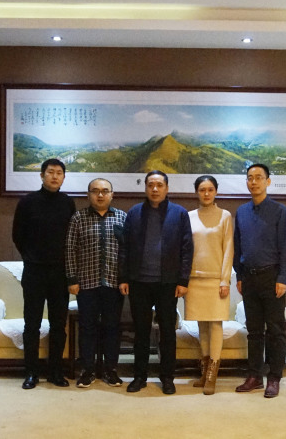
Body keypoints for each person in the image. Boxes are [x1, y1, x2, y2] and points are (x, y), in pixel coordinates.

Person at [118, 170, 193, 395]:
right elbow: (125, 247)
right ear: (145, 188)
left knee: (168, 333)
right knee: (140, 332)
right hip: (139, 282)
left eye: (159, 185)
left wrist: (183, 280)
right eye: (151, 185)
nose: (155, 189)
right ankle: (139, 376)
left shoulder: (179, 213)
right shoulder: (134, 213)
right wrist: (123, 277)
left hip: (167, 284)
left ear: (167, 188)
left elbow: (187, 249)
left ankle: (167, 377)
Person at [12, 158, 76, 389]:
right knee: (32, 324)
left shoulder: (68, 203)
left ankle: (55, 372)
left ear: (63, 177)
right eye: (50, 172)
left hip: (60, 273)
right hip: (34, 271)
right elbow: (17, 236)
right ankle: (31, 373)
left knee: (59, 325)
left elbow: (71, 238)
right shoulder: (27, 202)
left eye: (59, 173)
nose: (55, 176)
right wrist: (31, 257)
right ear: (42, 175)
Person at [233, 163, 286, 398]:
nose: (254, 181)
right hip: (249, 278)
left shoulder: (280, 211)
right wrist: (239, 275)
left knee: (276, 331)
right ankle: (255, 376)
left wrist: (283, 277)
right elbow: (238, 247)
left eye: (259, 177)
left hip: (272, 277)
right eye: (250, 177)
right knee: (254, 331)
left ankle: (274, 377)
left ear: (268, 181)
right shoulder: (242, 212)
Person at [66, 178, 127, 389]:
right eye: (95, 191)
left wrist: (125, 278)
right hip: (86, 284)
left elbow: (127, 251)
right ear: (88, 194)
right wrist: (72, 279)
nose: (100, 195)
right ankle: (88, 370)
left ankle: (110, 370)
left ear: (112, 194)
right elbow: (70, 250)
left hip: (114, 284)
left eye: (105, 191)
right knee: (87, 328)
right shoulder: (78, 218)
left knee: (112, 328)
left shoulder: (122, 217)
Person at [185, 175, 233, 395]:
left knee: (215, 325)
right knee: (202, 325)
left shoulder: (225, 216)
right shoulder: (189, 216)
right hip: (194, 279)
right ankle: (204, 372)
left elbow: (229, 249)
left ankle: (213, 374)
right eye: (202, 189)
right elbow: (186, 249)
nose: (206, 193)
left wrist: (225, 280)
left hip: (216, 280)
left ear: (216, 192)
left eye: (210, 189)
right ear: (197, 192)